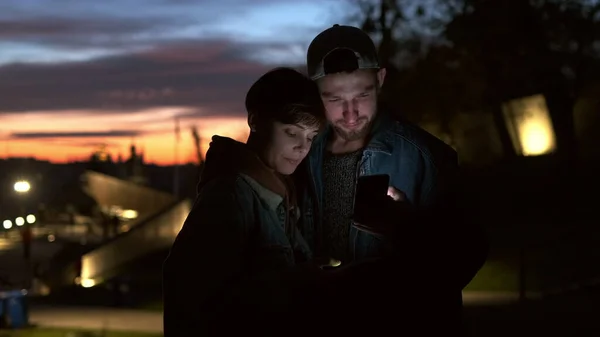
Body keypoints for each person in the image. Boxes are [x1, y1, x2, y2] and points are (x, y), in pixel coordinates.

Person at [296, 24, 490, 333]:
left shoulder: (426, 156)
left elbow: (468, 254)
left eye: (362, 94)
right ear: (315, 93)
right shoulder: (304, 155)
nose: (350, 113)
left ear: (381, 79)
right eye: (334, 99)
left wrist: (406, 228)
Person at [162, 67, 327, 336]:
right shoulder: (231, 194)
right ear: (256, 121)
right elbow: (190, 293)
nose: (302, 147)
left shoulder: (281, 196)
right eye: (291, 132)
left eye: (311, 137)